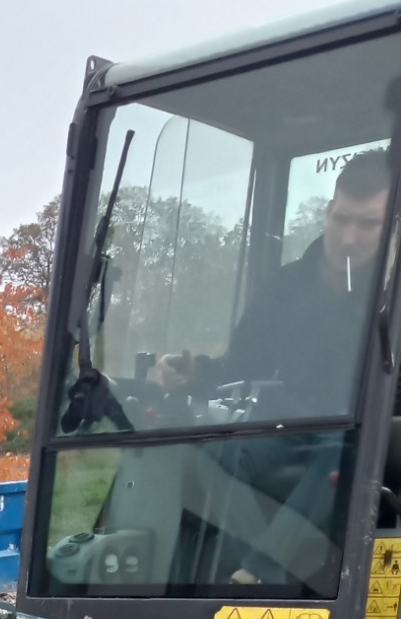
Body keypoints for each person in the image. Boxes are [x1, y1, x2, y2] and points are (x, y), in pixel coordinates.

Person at [158, 147, 392, 417]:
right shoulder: (281, 290)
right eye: (341, 219)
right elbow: (240, 372)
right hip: (278, 436)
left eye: (368, 224)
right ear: (328, 212)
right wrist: (193, 375)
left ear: (393, 225)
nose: (348, 238)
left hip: (363, 442)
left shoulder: (392, 302)